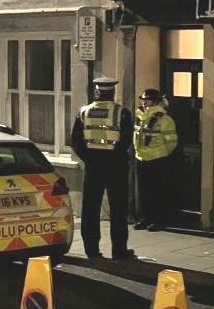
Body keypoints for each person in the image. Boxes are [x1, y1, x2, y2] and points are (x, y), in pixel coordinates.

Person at [70, 77, 135, 260]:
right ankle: (119, 251)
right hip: (116, 167)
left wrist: (90, 159)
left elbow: (76, 142)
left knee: (90, 209)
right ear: (113, 93)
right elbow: (126, 140)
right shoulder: (122, 113)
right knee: (118, 210)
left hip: (93, 167)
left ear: (97, 92)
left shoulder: (83, 113)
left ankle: (92, 250)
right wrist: (114, 157)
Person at [134, 88, 178, 232]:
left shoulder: (165, 119)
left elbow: (171, 142)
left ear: (155, 102)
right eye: (143, 99)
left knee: (157, 192)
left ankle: (158, 220)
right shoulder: (139, 116)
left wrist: (161, 154)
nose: (144, 102)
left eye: (147, 100)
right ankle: (145, 219)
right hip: (141, 158)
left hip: (157, 159)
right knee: (143, 191)